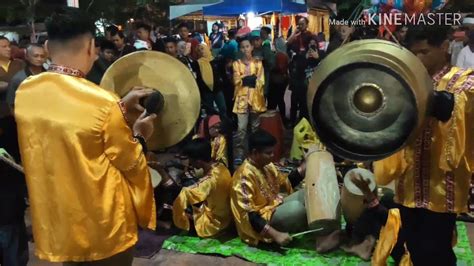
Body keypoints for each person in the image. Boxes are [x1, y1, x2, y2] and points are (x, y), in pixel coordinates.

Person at [14, 7, 157, 265]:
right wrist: (140, 135)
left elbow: (69, 124)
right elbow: (129, 162)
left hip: (59, 225)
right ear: (92, 47)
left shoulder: (26, 91)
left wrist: (119, 108)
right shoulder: (102, 102)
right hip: (102, 229)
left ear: (47, 46)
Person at [373, 24, 474, 266]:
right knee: (410, 248)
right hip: (409, 186)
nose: (418, 58)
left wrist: (421, 95)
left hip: (442, 189)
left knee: (435, 251)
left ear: (444, 46)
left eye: (425, 52)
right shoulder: (406, 82)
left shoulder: (463, 81)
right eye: (414, 53)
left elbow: (456, 107)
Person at [230, 129, 308, 246]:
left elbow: (286, 182)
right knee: (296, 209)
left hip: (272, 207)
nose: (273, 156)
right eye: (268, 153)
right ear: (255, 152)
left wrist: (303, 168)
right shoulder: (243, 177)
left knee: (306, 194)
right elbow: (249, 216)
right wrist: (276, 234)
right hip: (259, 221)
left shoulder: (267, 166)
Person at [172, 138, 232, 238]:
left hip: (214, 224)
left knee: (175, 204)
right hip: (227, 217)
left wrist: (163, 173)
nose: (190, 163)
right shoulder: (221, 166)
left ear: (199, 161)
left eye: (190, 160)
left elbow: (185, 194)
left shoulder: (209, 181)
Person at [232, 37, 266, 165]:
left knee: (255, 127)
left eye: (247, 46)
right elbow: (236, 80)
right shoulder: (237, 64)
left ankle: (254, 151)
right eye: (243, 47)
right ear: (240, 49)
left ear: (252, 47)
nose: (245, 49)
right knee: (241, 128)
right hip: (241, 99)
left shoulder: (258, 63)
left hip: (255, 98)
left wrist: (250, 81)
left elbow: (261, 80)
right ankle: (240, 152)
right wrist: (247, 78)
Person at [0, 36, 25, 163]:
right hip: (3, 114)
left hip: (22, 111)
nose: (8, 49)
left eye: (8, 46)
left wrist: (7, 85)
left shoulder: (19, 64)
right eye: (3, 47)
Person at [287, 17, 314, 124]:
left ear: (307, 24)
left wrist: (302, 55)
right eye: (299, 24)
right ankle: (293, 121)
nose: (300, 26)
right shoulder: (296, 37)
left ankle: (304, 121)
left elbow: (311, 53)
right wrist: (294, 32)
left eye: (302, 24)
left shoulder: (310, 36)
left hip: (305, 72)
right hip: (295, 71)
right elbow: (287, 44)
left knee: (303, 100)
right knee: (294, 99)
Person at [7, 44, 47, 110]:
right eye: (36, 56)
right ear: (27, 56)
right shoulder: (18, 79)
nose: (39, 59)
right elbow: (11, 104)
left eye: (42, 56)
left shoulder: (49, 76)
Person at [267, 52, 289, 124]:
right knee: (280, 100)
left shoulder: (277, 55)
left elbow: (278, 67)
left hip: (276, 80)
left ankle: (272, 120)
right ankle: (283, 119)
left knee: (273, 101)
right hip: (283, 79)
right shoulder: (284, 55)